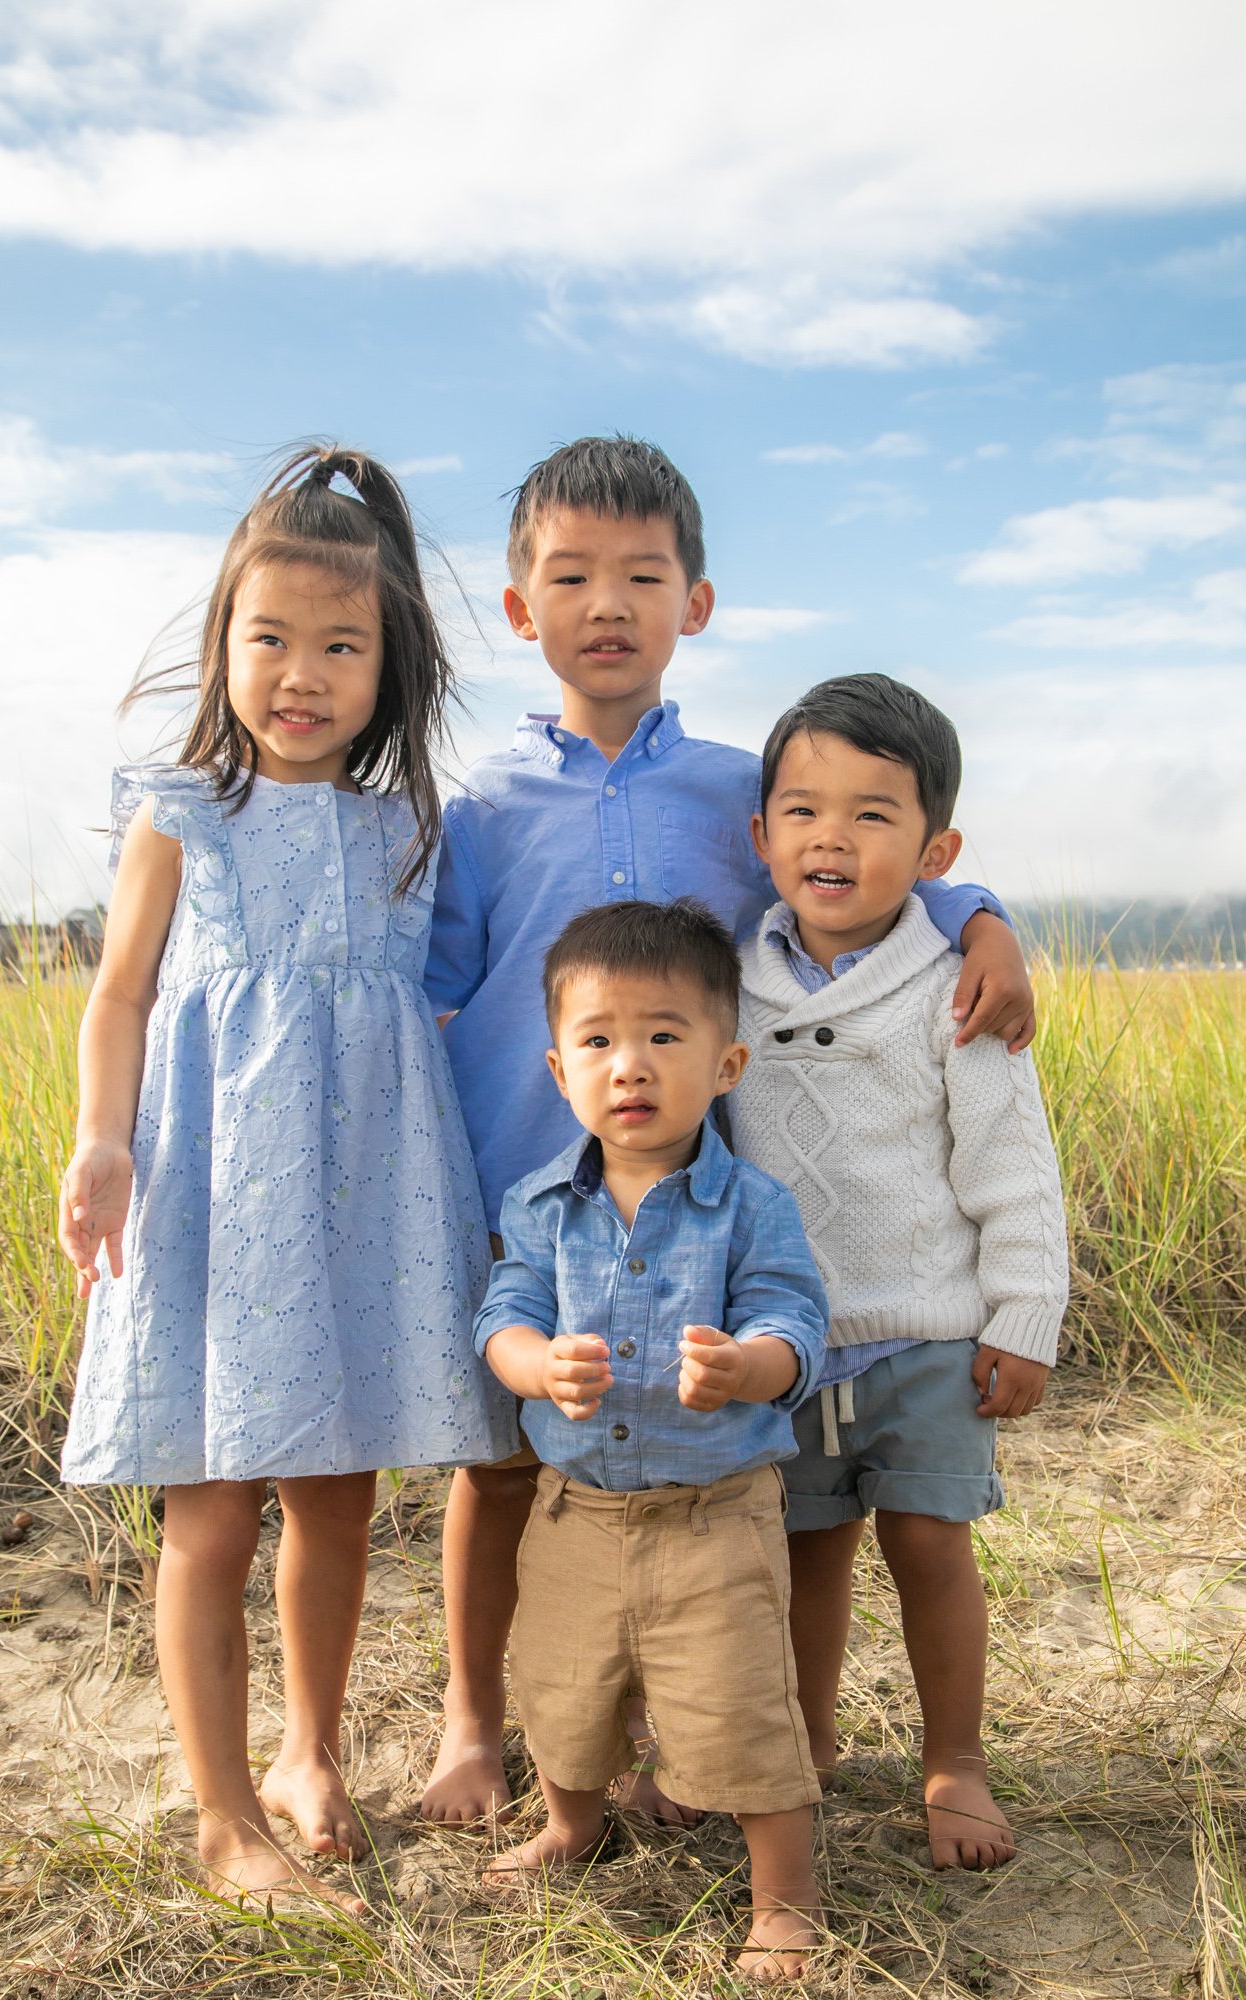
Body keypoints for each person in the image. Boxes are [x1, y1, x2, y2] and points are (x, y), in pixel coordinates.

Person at [419, 434, 1037, 1826]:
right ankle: (474, 1719)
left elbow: (844, 869)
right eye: (571, 576)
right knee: (506, 1468)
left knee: (691, 1486)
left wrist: (974, 907)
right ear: (521, 611)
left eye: (644, 574)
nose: (609, 602)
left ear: (694, 603)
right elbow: (437, 998)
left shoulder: (730, 790)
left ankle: (673, 1739)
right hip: (532, 1190)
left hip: (700, 1210)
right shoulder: (483, 807)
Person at [57, 446, 515, 1913]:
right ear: (223, 645)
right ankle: (222, 1806)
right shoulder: (182, 810)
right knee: (210, 1516)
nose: (301, 674)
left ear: (392, 668)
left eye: (340, 646)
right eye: (271, 640)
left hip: (358, 1205)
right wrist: (104, 1138)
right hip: (204, 1192)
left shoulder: (404, 833)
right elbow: (120, 995)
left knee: (331, 1498)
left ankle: (311, 1753)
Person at [729, 672, 1068, 1872]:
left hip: (928, 1329)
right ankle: (807, 1745)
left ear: (935, 848)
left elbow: (1010, 1163)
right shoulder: (731, 975)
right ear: (759, 832)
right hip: (791, 1342)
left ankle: (954, 1760)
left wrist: (1024, 1314)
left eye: (874, 814)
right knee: (805, 1551)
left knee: (929, 1544)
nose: (833, 836)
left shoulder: (956, 985)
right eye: (803, 809)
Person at [475, 899, 829, 1983]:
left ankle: (783, 1895)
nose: (629, 1064)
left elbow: (793, 1316)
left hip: (713, 1511)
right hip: (574, 1507)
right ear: (557, 1066)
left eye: (663, 1036)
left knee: (736, 1697)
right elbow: (502, 1313)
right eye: (598, 1040)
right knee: (561, 1680)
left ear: (724, 1062)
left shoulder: (749, 1204)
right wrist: (535, 1364)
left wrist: (747, 1363)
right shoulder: (538, 1204)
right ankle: (573, 1819)